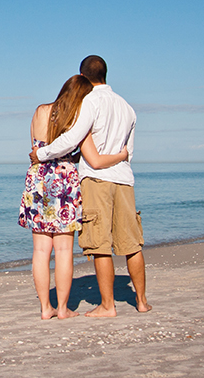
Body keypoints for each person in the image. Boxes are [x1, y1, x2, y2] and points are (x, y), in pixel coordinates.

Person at [29, 55, 152, 317]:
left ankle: (101, 306)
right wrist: (119, 157)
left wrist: (41, 154)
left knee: (96, 246)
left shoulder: (85, 104)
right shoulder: (128, 107)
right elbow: (128, 151)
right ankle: (140, 301)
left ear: (83, 76)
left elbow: (73, 140)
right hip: (120, 179)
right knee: (131, 244)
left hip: (78, 180)